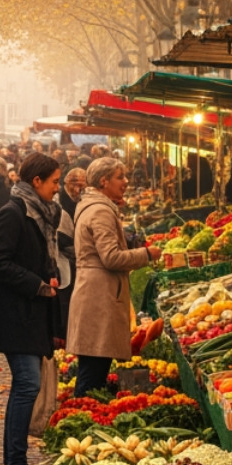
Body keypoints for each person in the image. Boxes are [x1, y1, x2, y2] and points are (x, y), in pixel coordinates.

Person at [0, 153, 66, 465]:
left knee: (26, 386)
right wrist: (36, 284)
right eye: (54, 182)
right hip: (15, 314)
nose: (58, 190)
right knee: (27, 386)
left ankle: (16, 464)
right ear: (36, 182)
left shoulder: (43, 214)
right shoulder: (14, 212)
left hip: (32, 314)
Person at [69, 157, 160, 399]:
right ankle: (82, 415)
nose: (126, 182)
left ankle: (83, 412)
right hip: (99, 296)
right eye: (120, 177)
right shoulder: (100, 211)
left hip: (95, 292)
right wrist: (146, 254)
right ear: (103, 181)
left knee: (94, 367)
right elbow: (110, 257)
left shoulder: (93, 206)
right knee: (93, 372)